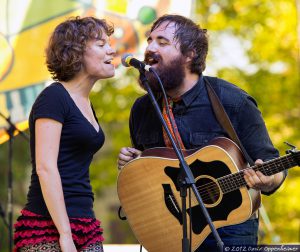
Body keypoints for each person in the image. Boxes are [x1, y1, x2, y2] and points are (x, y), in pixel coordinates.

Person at [117, 14, 287, 251]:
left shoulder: (232, 101)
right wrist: (133, 161)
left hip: (230, 230)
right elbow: (152, 170)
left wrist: (268, 180)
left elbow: (272, 165)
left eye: (163, 42)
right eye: (150, 40)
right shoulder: (143, 109)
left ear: (190, 54)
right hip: (168, 232)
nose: (150, 48)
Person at [13, 16, 116, 252]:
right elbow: (45, 167)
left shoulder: (86, 102)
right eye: (101, 45)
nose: (111, 50)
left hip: (85, 223)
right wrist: (65, 235)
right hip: (48, 226)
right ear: (76, 53)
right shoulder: (54, 97)